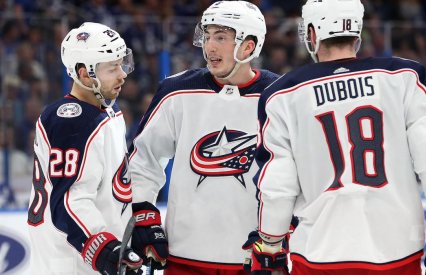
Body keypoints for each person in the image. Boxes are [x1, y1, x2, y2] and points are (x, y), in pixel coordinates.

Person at [248, 0, 426, 275]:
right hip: (397, 253)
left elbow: (277, 186)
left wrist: (270, 248)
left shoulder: (282, 94)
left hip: (319, 255)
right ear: (357, 32)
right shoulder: (402, 77)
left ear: (312, 34)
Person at [128, 1, 279, 274]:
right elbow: (143, 159)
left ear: (249, 46)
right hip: (184, 258)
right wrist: (143, 213)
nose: (209, 47)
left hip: (253, 261)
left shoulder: (279, 96)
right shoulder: (176, 91)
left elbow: (295, 174)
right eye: (207, 36)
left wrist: (279, 232)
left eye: (221, 37)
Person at [27, 22, 143, 275]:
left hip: (87, 258)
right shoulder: (71, 119)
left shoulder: (105, 112)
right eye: (112, 68)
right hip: (70, 262)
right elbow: (69, 200)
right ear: (84, 73)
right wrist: (105, 249)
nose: (123, 74)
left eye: (122, 64)